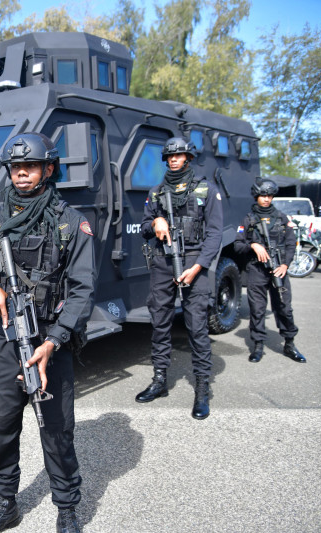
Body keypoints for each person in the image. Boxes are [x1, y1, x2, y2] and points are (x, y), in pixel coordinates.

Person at [0, 132, 96, 533]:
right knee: (2, 426)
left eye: (30, 166)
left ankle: (67, 508)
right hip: (4, 341)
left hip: (51, 343)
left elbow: (83, 290)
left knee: (56, 430)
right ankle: (6, 503)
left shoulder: (71, 223)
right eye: (16, 167)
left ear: (48, 169)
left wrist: (53, 342)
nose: (21, 173)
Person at [136, 136, 223, 420]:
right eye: (170, 156)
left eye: (179, 155)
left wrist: (198, 267)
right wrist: (154, 222)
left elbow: (214, 234)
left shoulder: (205, 189)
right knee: (159, 321)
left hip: (193, 262)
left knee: (196, 326)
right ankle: (160, 380)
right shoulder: (158, 191)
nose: (173, 159)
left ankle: (202, 388)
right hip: (163, 261)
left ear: (188, 157)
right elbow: (144, 229)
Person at [234, 179, 306, 363]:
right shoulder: (248, 219)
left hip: (278, 269)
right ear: (256, 196)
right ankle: (258, 346)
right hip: (256, 270)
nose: (266, 199)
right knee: (257, 310)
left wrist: (285, 265)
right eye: (263, 195)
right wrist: (253, 245)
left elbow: (291, 244)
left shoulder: (282, 218)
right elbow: (238, 245)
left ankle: (289, 344)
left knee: (284, 308)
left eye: (270, 196)